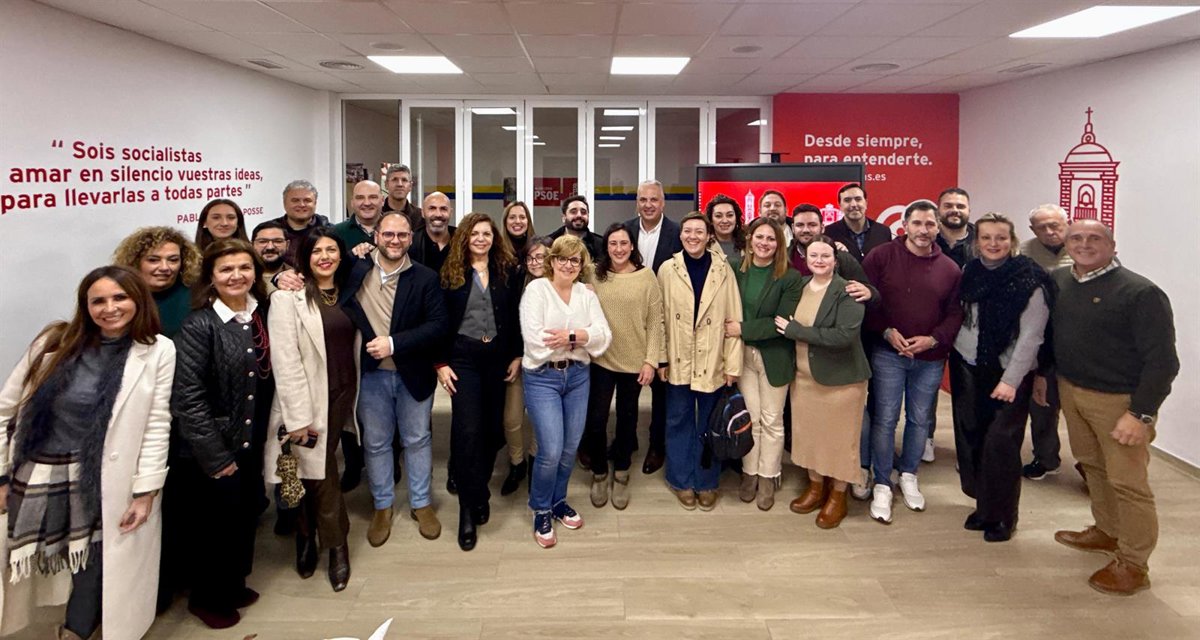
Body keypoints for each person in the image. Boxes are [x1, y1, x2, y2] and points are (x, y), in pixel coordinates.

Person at [0, 266, 174, 640]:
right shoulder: (52, 343)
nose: (109, 308)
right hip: (39, 472)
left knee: (92, 563)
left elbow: (156, 424)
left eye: (120, 298)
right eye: (98, 301)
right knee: (21, 559)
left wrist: (146, 491)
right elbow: (4, 410)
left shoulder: (158, 350)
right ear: (86, 306)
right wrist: (1, 476)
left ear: (138, 300)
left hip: (102, 478)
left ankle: (75, 632)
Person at [1047, 219, 1178, 596]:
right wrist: (1045, 378)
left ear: (1112, 245)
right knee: (1093, 466)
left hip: (1119, 402)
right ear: (1066, 244)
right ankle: (1107, 531)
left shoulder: (1140, 292)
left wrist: (1140, 414)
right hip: (1072, 391)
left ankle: (1134, 564)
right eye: (1076, 238)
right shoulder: (1062, 280)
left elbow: (1163, 362)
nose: (1084, 244)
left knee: (1128, 483)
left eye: (1095, 238)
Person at [171, 239, 275, 629]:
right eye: (226, 269)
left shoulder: (258, 313)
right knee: (213, 528)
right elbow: (188, 397)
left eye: (244, 268)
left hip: (249, 441)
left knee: (243, 518)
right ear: (211, 277)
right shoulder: (199, 325)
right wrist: (215, 456)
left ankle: (233, 584)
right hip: (212, 449)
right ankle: (208, 599)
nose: (237, 276)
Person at [341, 212, 448, 547]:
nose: (395, 240)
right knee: (375, 443)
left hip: (413, 372)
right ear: (376, 236)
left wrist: (394, 343)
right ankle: (382, 505)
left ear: (410, 239)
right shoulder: (354, 268)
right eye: (388, 234)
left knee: (417, 439)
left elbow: (438, 325)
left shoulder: (425, 277)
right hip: (370, 376)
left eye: (402, 235)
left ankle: (421, 503)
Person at [950, 213, 1053, 543]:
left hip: (1008, 374)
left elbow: (1031, 337)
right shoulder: (971, 271)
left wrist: (1010, 380)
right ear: (976, 241)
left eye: (1001, 237)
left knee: (1001, 446)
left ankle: (1004, 517)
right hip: (969, 365)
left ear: (1013, 240)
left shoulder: (1029, 279)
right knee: (974, 440)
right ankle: (984, 508)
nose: (993, 244)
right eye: (986, 237)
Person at [861, 200, 963, 524]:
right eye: (917, 223)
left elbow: (955, 314)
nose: (923, 230)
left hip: (929, 358)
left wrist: (933, 339)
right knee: (885, 419)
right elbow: (866, 301)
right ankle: (882, 482)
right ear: (904, 225)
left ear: (938, 228)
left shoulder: (950, 268)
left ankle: (909, 474)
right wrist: (886, 331)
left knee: (919, 420)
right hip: (888, 353)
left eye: (930, 224)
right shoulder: (880, 257)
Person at [266, 228, 356, 591]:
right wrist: (298, 417)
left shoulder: (348, 291)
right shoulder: (287, 298)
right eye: (317, 251)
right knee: (319, 472)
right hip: (308, 397)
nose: (325, 257)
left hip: (343, 392)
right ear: (305, 258)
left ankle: (308, 535)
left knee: (315, 467)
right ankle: (333, 544)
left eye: (331, 250)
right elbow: (285, 360)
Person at [435, 213, 522, 551]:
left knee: (491, 432)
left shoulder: (506, 272)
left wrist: (516, 354)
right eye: (475, 234)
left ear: (494, 238)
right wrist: (440, 362)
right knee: (467, 431)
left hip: (497, 359)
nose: (482, 239)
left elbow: (514, 317)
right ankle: (468, 509)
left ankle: (479, 490)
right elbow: (438, 320)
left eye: (487, 233)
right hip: (463, 360)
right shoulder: (450, 272)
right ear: (465, 238)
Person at [519, 235, 611, 548]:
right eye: (562, 258)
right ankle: (540, 507)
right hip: (542, 377)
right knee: (551, 449)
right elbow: (535, 341)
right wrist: (584, 337)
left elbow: (603, 337)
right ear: (552, 261)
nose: (568, 265)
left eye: (575, 260)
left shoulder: (586, 294)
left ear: (581, 265)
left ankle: (558, 501)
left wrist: (571, 336)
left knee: (571, 447)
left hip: (578, 377)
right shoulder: (537, 290)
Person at [778, 237, 871, 529]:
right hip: (804, 379)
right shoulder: (801, 285)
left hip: (841, 382)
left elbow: (844, 336)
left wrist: (796, 331)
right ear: (805, 258)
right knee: (810, 438)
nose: (819, 260)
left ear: (835, 259)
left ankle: (838, 496)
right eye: (814, 255)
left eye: (825, 256)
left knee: (840, 442)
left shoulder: (848, 290)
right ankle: (816, 488)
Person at [658, 212, 743, 511]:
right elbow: (659, 319)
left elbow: (733, 318)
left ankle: (707, 480)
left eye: (699, 231)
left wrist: (733, 365)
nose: (692, 236)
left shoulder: (723, 269)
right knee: (678, 420)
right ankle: (680, 479)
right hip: (678, 357)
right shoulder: (668, 269)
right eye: (687, 231)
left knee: (709, 422)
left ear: (709, 236)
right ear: (680, 235)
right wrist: (661, 359)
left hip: (712, 357)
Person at [583, 223, 664, 510]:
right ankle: (599, 473)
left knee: (627, 421)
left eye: (623, 243)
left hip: (634, 362)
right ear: (606, 247)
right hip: (601, 359)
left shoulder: (646, 277)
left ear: (632, 246)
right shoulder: (593, 273)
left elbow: (655, 323)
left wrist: (651, 361)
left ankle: (621, 472)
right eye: (613, 243)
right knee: (596, 420)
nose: (618, 249)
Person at [726, 217, 801, 510]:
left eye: (771, 239)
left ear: (779, 244)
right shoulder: (735, 269)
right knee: (752, 418)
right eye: (760, 237)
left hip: (774, 356)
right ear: (749, 240)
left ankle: (769, 475)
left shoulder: (790, 277)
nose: (764, 243)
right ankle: (750, 473)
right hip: (742, 355)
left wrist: (742, 328)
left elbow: (781, 324)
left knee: (772, 419)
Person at [624, 180, 683, 474]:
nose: (648, 205)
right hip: (629, 323)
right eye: (643, 199)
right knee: (628, 389)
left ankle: (656, 445)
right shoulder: (624, 231)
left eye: (654, 199)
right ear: (637, 202)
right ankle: (627, 440)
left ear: (663, 203)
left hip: (665, 320)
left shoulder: (678, 234)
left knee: (661, 390)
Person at [1018, 204, 1073, 481]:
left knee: (1085, 411)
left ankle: (1094, 468)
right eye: (1043, 227)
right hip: (1040, 338)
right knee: (1042, 405)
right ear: (1033, 230)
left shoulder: (1083, 246)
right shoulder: (1023, 252)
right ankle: (1046, 457)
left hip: (1078, 340)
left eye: (1055, 225)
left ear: (1067, 222)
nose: (1050, 231)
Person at [499, 236, 551, 496]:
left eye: (541, 257)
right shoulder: (517, 281)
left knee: (542, 421)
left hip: (548, 366)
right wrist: (516, 356)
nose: (535, 262)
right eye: (530, 257)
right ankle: (517, 463)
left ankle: (534, 463)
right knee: (511, 419)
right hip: (519, 360)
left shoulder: (562, 285)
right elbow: (509, 324)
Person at [112, 226, 202, 338]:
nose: (164, 267)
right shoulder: (118, 297)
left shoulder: (197, 297)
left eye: (173, 260)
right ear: (135, 262)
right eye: (153, 260)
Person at [825, 183, 891, 263]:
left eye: (858, 199)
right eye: (847, 200)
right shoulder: (829, 233)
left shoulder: (883, 232)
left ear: (866, 203)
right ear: (840, 205)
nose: (853, 204)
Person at [271, 180, 331, 267]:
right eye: (295, 200)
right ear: (284, 203)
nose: (302, 204)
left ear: (315, 203)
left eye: (307, 200)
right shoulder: (270, 232)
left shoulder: (331, 231)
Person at [408, 191, 457, 275]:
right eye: (432, 208)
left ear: (451, 213)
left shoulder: (463, 240)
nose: (438, 214)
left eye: (443, 209)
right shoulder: (410, 244)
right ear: (423, 213)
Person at [548, 195, 604, 260]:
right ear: (564, 218)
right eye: (573, 212)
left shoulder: (601, 245)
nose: (579, 215)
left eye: (583, 212)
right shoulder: (549, 243)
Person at [333, 180, 384, 251]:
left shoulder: (396, 230)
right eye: (360, 198)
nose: (367, 203)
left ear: (382, 200)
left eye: (373, 197)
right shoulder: (335, 233)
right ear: (352, 202)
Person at [935, 187, 976, 268]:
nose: (955, 210)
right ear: (938, 210)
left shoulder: (982, 241)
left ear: (969, 211)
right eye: (948, 206)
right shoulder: (928, 240)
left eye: (960, 206)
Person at [251, 220, 292, 293]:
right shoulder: (242, 276)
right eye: (263, 241)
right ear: (252, 245)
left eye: (278, 241)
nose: (270, 247)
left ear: (287, 245)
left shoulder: (296, 277)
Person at [381, 164, 423, 231]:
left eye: (404, 180)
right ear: (386, 184)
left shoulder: (420, 217)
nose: (400, 184)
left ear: (410, 186)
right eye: (395, 179)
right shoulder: (377, 215)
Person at [705, 193, 745, 258]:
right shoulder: (704, 245)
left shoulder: (748, 244)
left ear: (736, 218)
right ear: (711, 220)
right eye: (718, 216)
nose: (725, 221)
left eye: (730, 215)